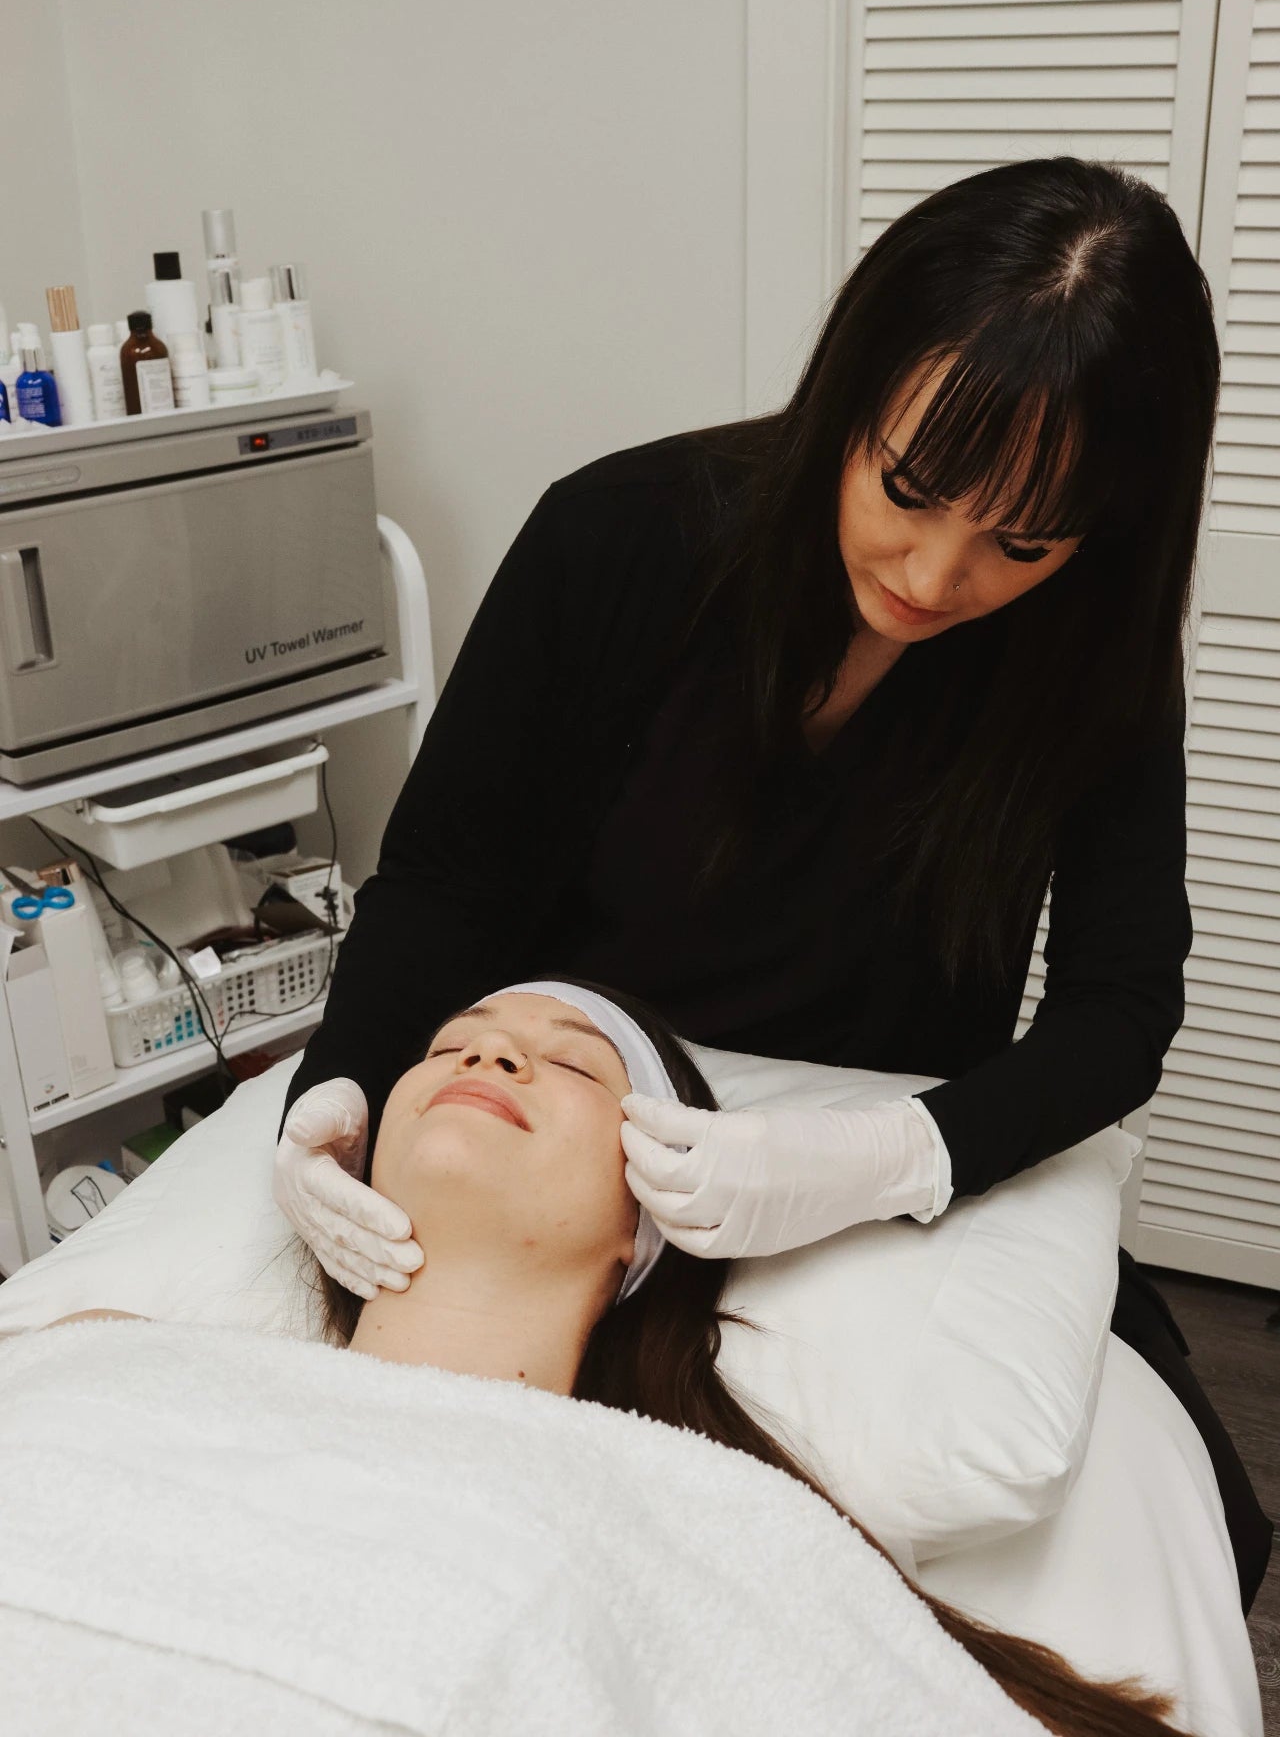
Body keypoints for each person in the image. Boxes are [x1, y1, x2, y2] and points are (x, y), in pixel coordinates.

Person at [273, 157, 1272, 1610]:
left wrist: (892, 1159)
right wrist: (341, 1078)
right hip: (586, 1116)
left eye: (1023, 541)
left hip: (862, 1148)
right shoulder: (618, 539)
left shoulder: (1095, 655)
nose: (934, 575)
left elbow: (1121, 1010)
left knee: (1198, 1516)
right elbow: (441, 882)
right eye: (912, 488)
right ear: (851, 387)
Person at [303, 982, 1195, 1735]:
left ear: (645, 1222)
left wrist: (906, 1151)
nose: (486, 1057)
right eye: (451, 1045)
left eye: (574, 1062)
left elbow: (1118, 1007)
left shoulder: (716, 1537)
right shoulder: (166, 1384)